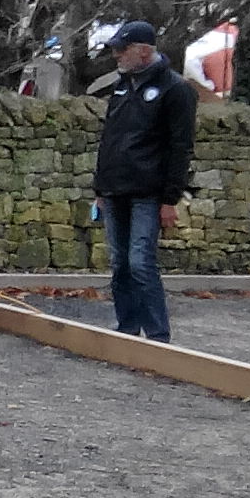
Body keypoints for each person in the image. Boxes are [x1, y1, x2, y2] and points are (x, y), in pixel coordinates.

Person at [93, 18, 197, 342]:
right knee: (119, 263)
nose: (117, 56)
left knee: (140, 262)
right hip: (114, 188)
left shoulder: (176, 90)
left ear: (143, 50)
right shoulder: (121, 87)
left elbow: (180, 147)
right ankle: (126, 328)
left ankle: (157, 335)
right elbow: (109, 138)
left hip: (148, 192)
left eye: (122, 49)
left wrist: (170, 198)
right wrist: (99, 188)